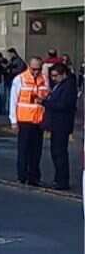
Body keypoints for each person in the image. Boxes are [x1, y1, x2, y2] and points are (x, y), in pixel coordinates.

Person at [9, 55, 49, 186]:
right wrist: (13, 121)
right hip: (24, 120)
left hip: (38, 121)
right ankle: (22, 176)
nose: (36, 72)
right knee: (24, 150)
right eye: (33, 69)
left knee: (36, 152)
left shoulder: (44, 80)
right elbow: (13, 101)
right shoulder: (20, 79)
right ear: (28, 66)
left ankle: (34, 177)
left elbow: (47, 99)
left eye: (38, 69)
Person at [42, 63, 77, 191]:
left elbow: (63, 105)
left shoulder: (68, 86)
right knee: (55, 152)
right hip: (56, 124)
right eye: (52, 76)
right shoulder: (60, 85)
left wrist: (46, 102)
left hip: (62, 124)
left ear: (63, 74)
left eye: (55, 76)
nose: (53, 78)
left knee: (60, 153)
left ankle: (62, 181)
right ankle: (58, 179)